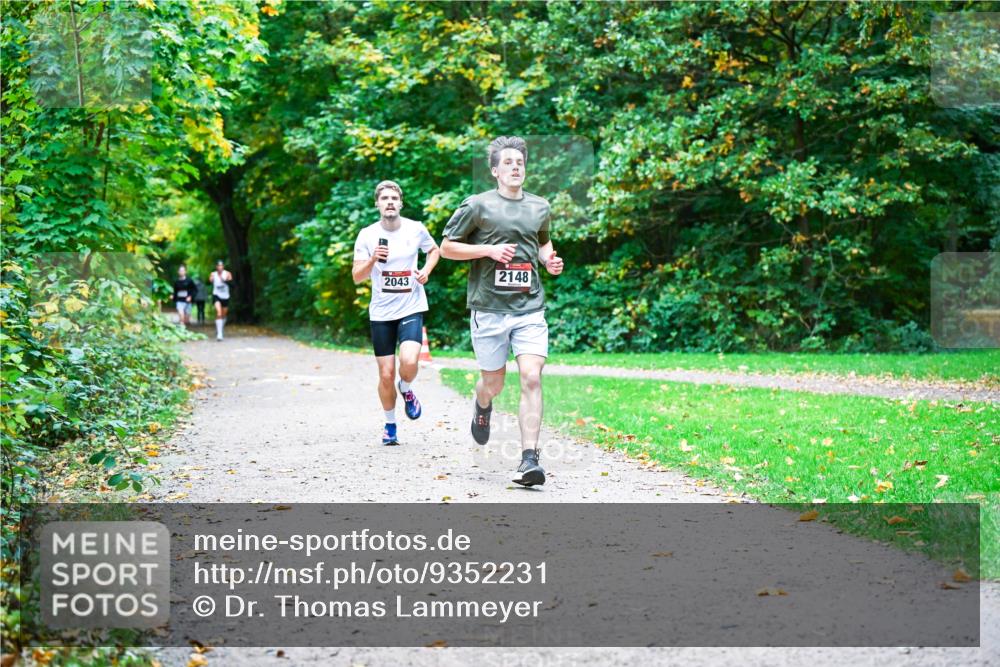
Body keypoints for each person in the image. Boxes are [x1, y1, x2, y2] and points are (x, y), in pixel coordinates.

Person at [440, 136, 564, 487]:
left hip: (529, 307)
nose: (515, 167)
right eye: (507, 162)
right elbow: (447, 247)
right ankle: (482, 403)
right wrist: (488, 252)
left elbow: (542, 244)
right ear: (495, 170)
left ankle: (529, 461)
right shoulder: (477, 206)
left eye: (520, 162)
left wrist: (549, 261)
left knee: (532, 377)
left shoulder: (540, 206)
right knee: (493, 383)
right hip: (489, 309)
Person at [353, 180, 440, 446]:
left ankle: (407, 388)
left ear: (401, 203)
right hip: (381, 313)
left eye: (394, 198)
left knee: (410, 362)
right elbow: (357, 277)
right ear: (377, 204)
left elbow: (434, 250)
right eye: (384, 198)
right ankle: (390, 424)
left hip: (411, 306)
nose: (390, 202)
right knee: (386, 374)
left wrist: (425, 271)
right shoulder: (367, 234)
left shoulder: (415, 229)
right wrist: (372, 260)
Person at [208, 260, 233, 341]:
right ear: (216, 267)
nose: (220, 267)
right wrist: (212, 278)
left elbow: (231, 282)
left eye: (221, 266)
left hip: (225, 296)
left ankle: (220, 328)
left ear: (223, 266)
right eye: (218, 266)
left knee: (223, 315)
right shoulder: (213, 274)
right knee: (219, 313)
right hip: (216, 295)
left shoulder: (227, 273)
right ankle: (219, 334)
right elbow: (210, 280)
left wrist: (225, 280)